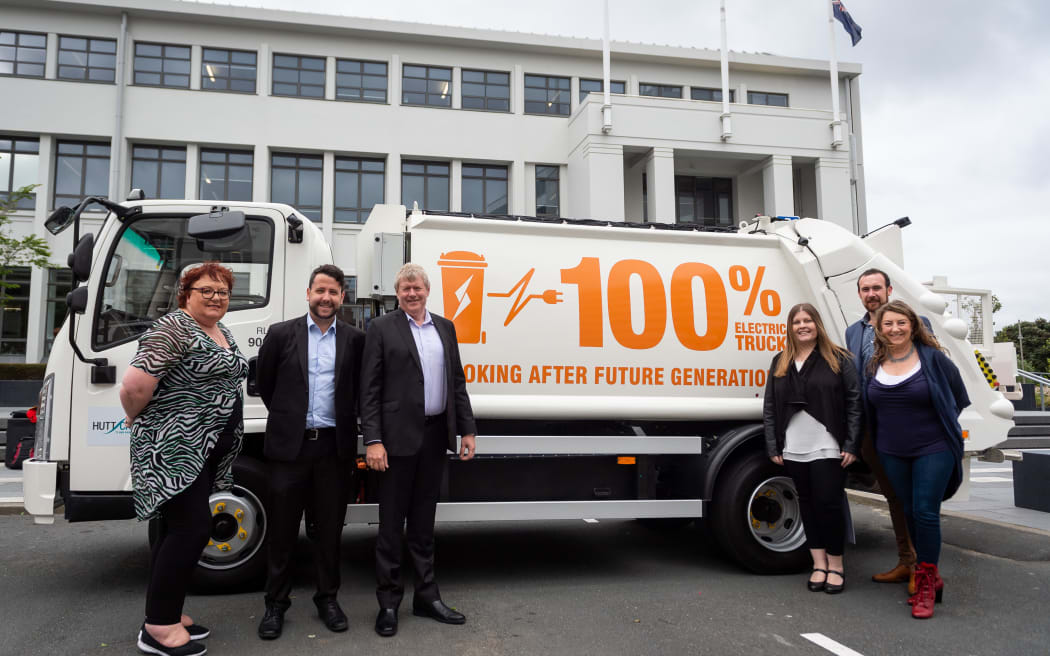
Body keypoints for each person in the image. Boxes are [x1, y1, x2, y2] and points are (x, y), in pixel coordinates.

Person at [120, 262, 248, 656]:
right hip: (175, 450)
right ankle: (158, 628)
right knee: (191, 530)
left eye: (223, 291)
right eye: (206, 290)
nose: (216, 298)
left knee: (174, 530)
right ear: (186, 294)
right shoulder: (173, 328)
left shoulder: (217, 329)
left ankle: (164, 612)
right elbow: (134, 385)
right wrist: (136, 416)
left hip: (203, 449)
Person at [361, 262, 477, 637]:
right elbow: (370, 389)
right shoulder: (380, 328)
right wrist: (373, 440)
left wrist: (467, 430)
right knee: (391, 526)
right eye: (405, 288)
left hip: (434, 439)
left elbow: (456, 382)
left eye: (418, 287)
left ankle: (427, 597)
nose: (412, 293)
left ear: (428, 291)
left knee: (424, 526)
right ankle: (389, 604)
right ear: (397, 293)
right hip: (394, 443)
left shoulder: (445, 327)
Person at [255, 265, 366, 640]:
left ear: (342, 297)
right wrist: (289, 420)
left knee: (329, 531)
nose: (326, 298)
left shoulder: (355, 339)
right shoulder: (281, 334)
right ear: (308, 293)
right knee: (283, 531)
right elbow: (266, 385)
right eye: (320, 290)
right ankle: (275, 604)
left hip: (334, 450)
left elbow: (358, 391)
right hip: (290, 449)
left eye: (333, 292)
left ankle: (327, 598)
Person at [865, 300, 969, 619]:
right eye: (888, 324)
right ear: (879, 330)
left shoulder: (935, 360)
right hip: (891, 450)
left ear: (912, 324)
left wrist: (934, 429)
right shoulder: (874, 363)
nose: (894, 329)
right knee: (908, 509)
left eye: (900, 323)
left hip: (933, 448)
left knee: (925, 512)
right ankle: (931, 574)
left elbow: (959, 399)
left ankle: (924, 584)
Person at [764, 303, 861, 594]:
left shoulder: (839, 359)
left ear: (817, 324)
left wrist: (851, 444)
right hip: (794, 446)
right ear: (790, 327)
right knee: (806, 504)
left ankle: (837, 566)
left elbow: (855, 403)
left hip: (828, 446)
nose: (802, 325)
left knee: (828, 505)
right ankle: (818, 564)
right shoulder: (780, 361)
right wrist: (773, 445)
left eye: (808, 320)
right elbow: (770, 407)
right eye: (797, 322)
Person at [845, 268, 928, 591]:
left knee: (915, 496)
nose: (871, 294)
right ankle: (906, 561)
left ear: (889, 290)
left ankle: (923, 568)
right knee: (893, 495)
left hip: (904, 423)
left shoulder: (911, 324)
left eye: (877, 288)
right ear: (859, 294)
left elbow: (930, 368)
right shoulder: (853, 332)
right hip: (870, 426)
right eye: (865, 289)